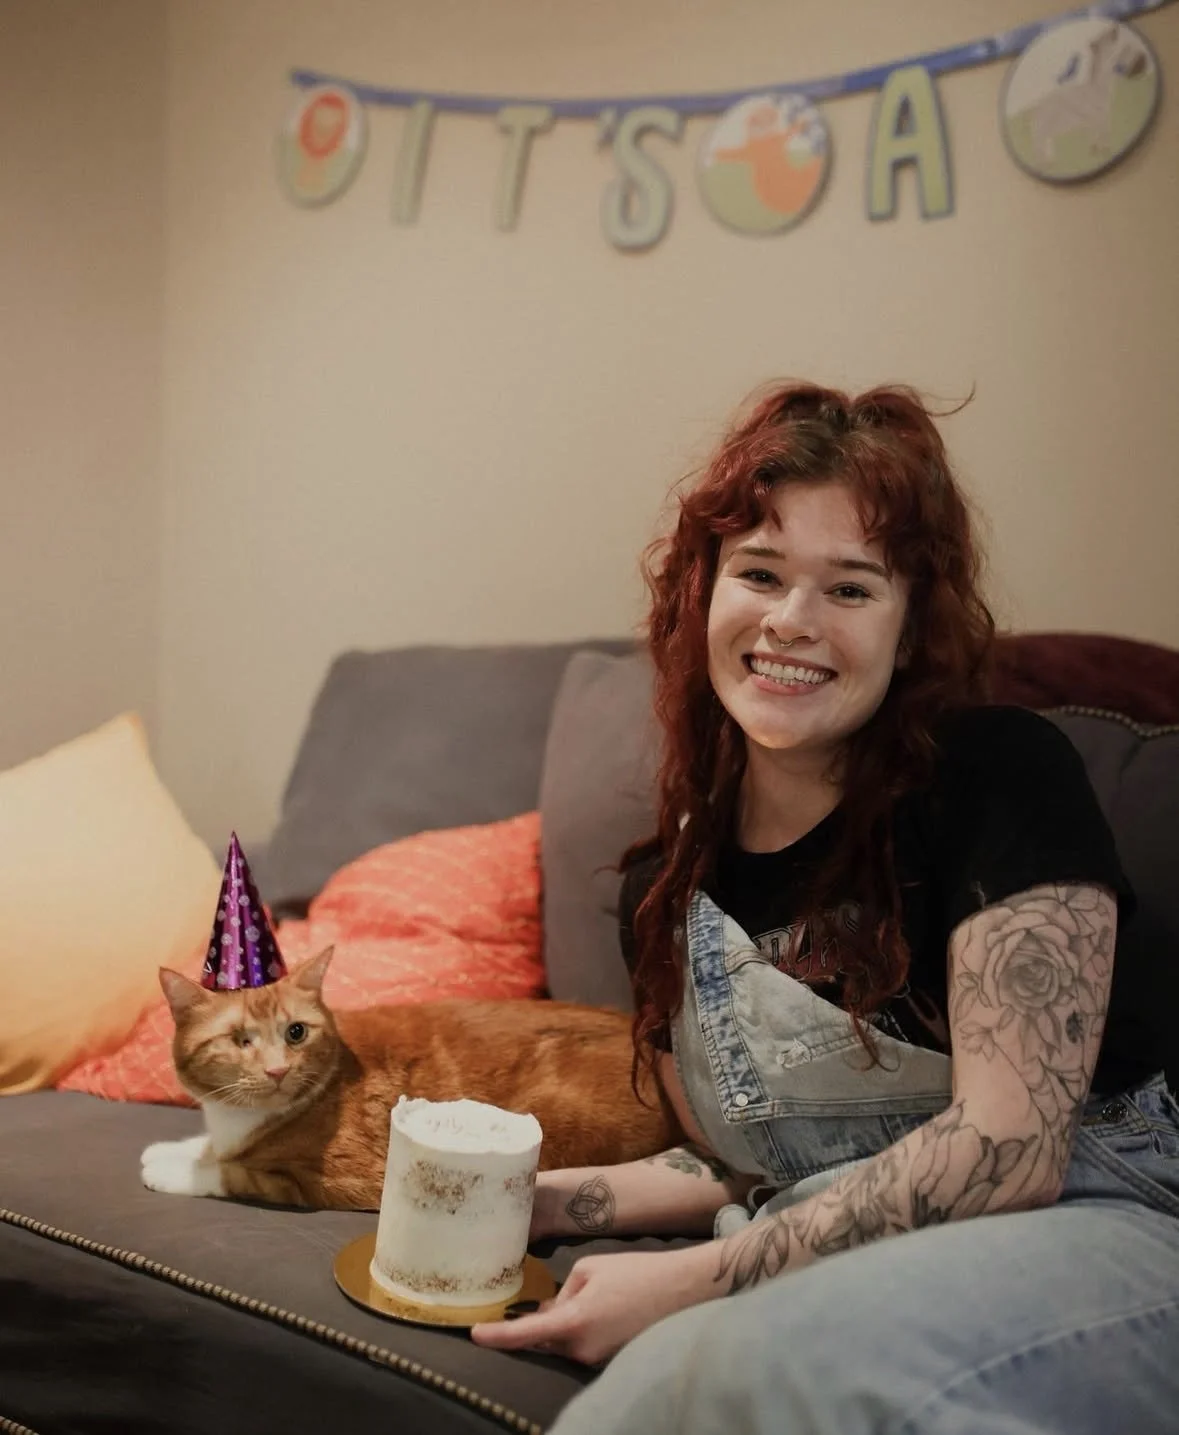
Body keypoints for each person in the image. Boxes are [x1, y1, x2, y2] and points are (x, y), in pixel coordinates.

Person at [472, 383, 1179, 1432]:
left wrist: (698, 1279)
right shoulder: (666, 893)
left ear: (909, 628)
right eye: (759, 572)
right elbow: (753, 1157)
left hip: (1106, 1210)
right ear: (702, 593)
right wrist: (543, 1199)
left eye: (850, 590)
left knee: (725, 1375)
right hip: (849, 1236)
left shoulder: (1001, 773)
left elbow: (1010, 1146)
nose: (791, 622)